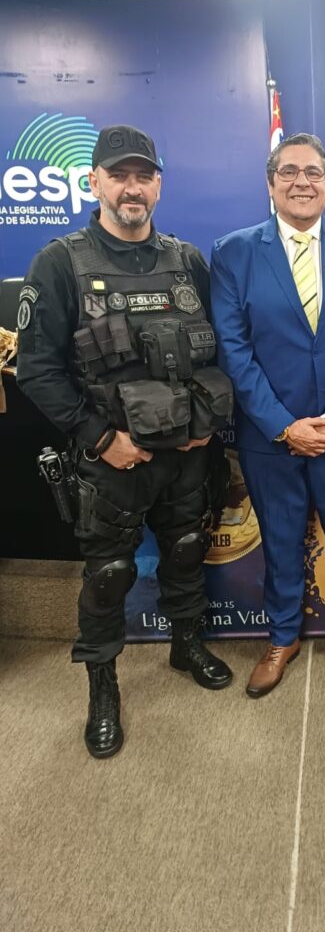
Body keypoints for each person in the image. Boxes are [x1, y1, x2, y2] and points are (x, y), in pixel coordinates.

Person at [16, 124, 234, 760]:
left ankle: (186, 645)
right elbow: (37, 371)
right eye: (119, 176)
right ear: (95, 182)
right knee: (110, 574)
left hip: (186, 454)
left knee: (187, 551)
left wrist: (203, 426)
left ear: (159, 186)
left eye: (143, 176)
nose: (131, 188)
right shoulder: (60, 263)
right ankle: (103, 685)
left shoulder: (187, 261)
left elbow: (220, 351)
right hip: (112, 460)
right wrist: (100, 437)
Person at [210, 132, 325, 696]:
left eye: (313, 172)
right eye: (288, 172)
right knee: (281, 538)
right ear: (271, 184)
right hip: (271, 435)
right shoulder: (234, 252)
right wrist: (284, 425)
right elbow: (233, 350)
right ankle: (282, 636)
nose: (301, 182)